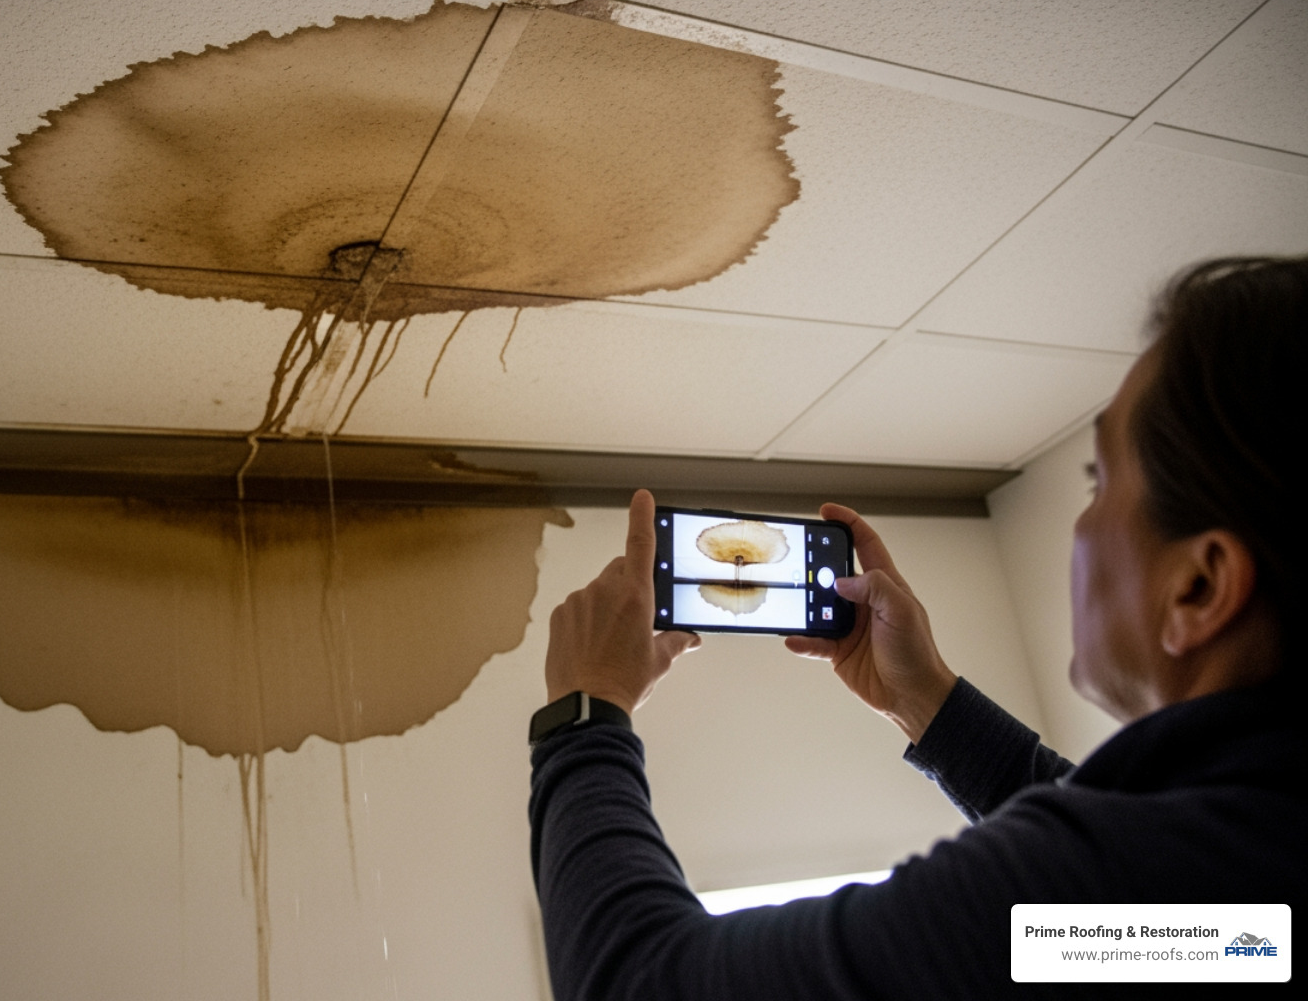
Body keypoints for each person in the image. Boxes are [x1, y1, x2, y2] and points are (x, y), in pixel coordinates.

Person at [528, 256, 1305, 999]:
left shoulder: (1146, 892)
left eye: (1099, 482)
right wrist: (926, 698)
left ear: (1200, 587)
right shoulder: (1238, 899)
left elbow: (637, 983)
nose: (1083, 526)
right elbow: (1128, 921)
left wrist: (587, 713)